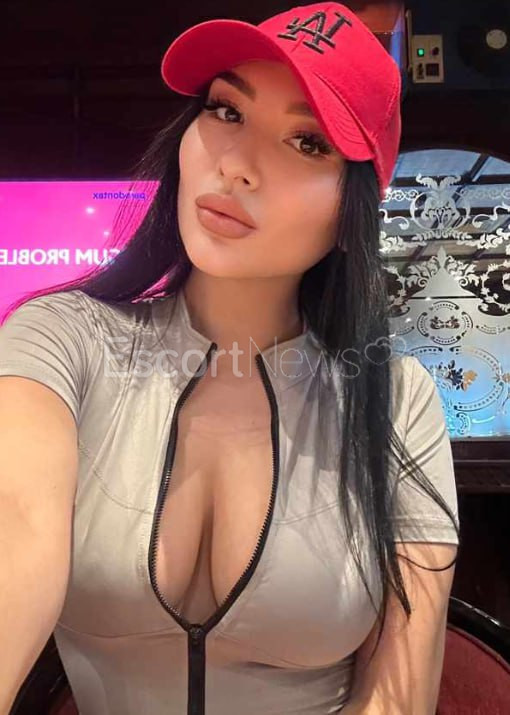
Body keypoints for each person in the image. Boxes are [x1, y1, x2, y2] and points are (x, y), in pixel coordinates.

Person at [0, 3, 459, 714]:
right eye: (226, 110)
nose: (237, 165)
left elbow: (397, 695)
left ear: (353, 213)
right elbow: (16, 523)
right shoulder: (63, 339)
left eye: (307, 142)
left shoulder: (396, 398)